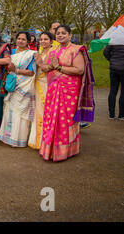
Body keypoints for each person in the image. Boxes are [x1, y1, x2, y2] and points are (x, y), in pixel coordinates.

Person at [39, 25, 95, 162]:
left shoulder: (76, 50)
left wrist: (58, 67)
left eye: (64, 33)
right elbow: (47, 68)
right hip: (53, 89)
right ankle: (50, 149)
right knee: (52, 118)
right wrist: (42, 64)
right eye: (58, 33)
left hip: (69, 91)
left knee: (66, 119)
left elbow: (79, 70)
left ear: (70, 35)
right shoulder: (53, 50)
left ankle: (66, 150)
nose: (60, 35)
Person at [0, 32, 36, 147]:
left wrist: (16, 70)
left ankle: (19, 139)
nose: (20, 41)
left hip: (23, 86)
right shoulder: (11, 52)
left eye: (23, 39)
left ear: (29, 41)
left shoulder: (31, 54)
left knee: (20, 113)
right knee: (9, 110)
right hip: (11, 84)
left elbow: (32, 72)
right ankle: (8, 137)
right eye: (19, 38)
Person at [28, 31, 55, 149]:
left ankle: (45, 141)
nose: (43, 41)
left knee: (45, 111)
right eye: (41, 39)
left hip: (46, 84)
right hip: (37, 83)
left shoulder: (53, 52)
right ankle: (37, 140)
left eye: (46, 39)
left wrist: (39, 63)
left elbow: (50, 68)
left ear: (51, 41)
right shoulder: (39, 51)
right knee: (37, 111)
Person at [104, 44, 124, 120]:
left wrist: (112, 59)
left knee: (113, 90)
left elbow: (105, 52)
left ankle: (111, 114)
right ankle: (122, 115)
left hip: (114, 68)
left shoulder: (114, 39)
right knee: (123, 92)